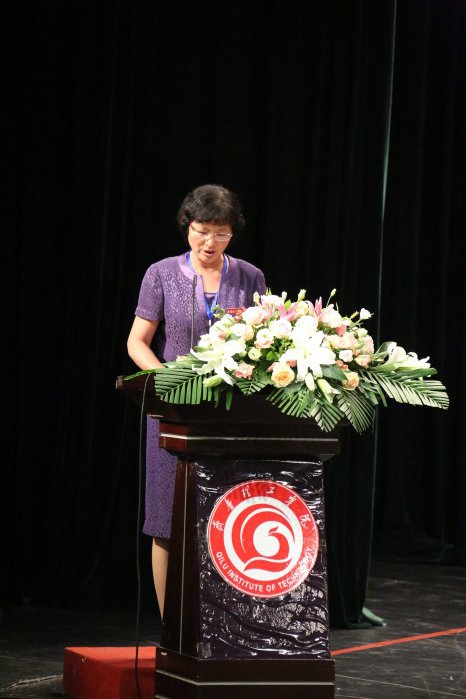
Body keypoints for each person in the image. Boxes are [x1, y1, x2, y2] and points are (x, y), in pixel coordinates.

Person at [127, 184, 266, 615]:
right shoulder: (161, 274)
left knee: (226, 521)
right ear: (188, 225)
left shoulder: (250, 277)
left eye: (221, 233)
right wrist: (166, 380)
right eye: (202, 231)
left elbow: (264, 343)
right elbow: (137, 342)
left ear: (233, 233)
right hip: (172, 413)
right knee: (165, 521)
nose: (210, 242)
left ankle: (222, 624)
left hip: (230, 415)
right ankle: (171, 626)